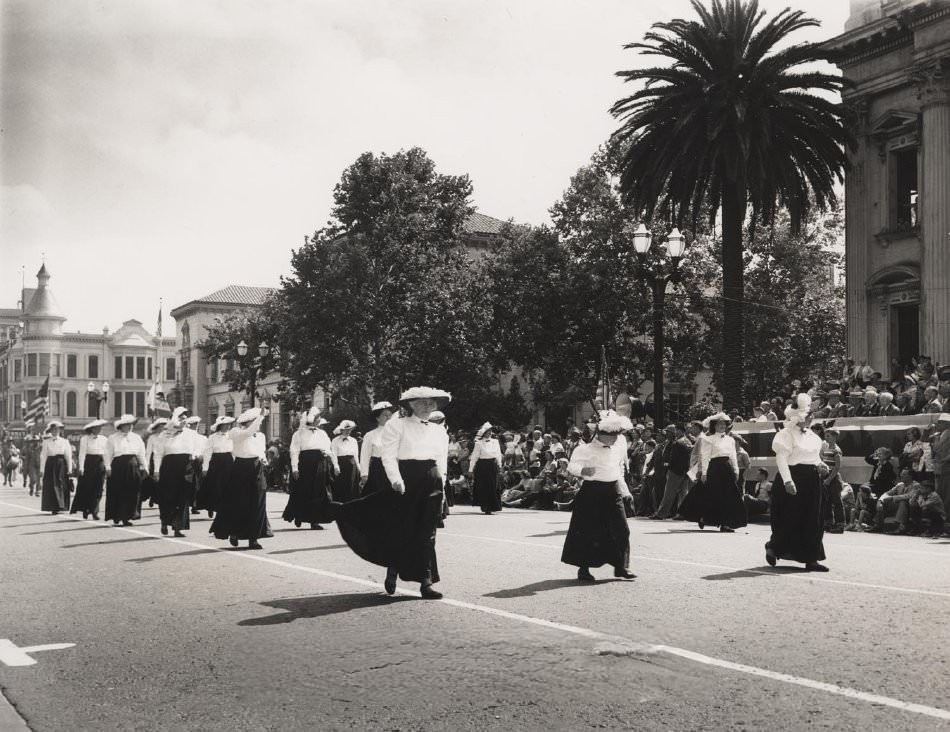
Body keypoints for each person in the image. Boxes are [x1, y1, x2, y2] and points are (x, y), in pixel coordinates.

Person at [334, 386, 451, 599]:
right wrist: (396, 480)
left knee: (428, 531)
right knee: (403, 528)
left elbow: (441, 459)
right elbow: (388, 456)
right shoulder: (397, 425)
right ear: (412, 405)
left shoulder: (439, 430)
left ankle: (426, 582)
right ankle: (393, 569)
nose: (428, 406)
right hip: (406, 478)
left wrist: (442, 485)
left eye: (431, 403)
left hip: (431, 479)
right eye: (423, 403)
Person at [561, 411, 636, 582]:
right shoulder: (584, 449)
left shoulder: (617, 448)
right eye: (612, 435)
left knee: (622, 529)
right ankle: (584, 569)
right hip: (592, 492)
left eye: (617, 435)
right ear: (601, 434)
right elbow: (572, 466)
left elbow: (619, 472)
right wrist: (583, 471)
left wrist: (626, 492)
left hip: (613, 490)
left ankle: (621, 567)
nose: (616, 438)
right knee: (588, 531)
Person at [766, 394, 830, 571]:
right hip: (792, 477)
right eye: (809, 415)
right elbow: (781, 459)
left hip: (811, 480)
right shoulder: (785, 435)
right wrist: (788, 481)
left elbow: (814, 457)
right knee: (790, 517)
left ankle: (811, 558)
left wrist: (821, 465)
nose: (812, 418)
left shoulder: (812, 436)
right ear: (800, 417)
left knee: (813, 519)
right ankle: (773, 547)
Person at [211, 407, 272, 550]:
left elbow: (260, 450)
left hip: (256, 467)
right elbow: (248, 433)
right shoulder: (236, 432)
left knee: (257, 502)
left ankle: (254, 538)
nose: (258, 424)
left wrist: (263, 460)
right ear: (248, 421)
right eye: (254, 420)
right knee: (239, 502)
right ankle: (234, 532)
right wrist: (261, 416)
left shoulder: (260, 435)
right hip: (241, 468)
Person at [677, 413, 746, 532]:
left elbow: (733, 456)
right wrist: (703, 473)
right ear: (714, 425)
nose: (722, 426)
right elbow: (704, 456)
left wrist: (736, 470)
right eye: (719, 424)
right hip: (714, 468)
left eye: (724, 424)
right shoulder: (707, 439)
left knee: (729, 496)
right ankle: (704, 517)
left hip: (727, 468)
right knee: (712, 496)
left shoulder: (730, 440)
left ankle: (726, 524)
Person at [283, 407, 337, 529]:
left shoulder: (322, 433)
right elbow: (294, 451)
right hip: (305, 464)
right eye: (317, 418)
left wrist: (328, 455)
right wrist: (295, 468)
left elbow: (329, 448)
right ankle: (299, 515)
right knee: (304, 491)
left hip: (320, 464)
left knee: (318, 491)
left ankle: (315, 520)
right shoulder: (299, 433)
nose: (319, 421)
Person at [155, 408, 200, 537]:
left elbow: (197, 448)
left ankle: (178, 527)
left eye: (184, 417)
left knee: (183, 497)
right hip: (169, 466)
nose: (183, 420)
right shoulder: (165, 434)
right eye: (180, 417)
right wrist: (157, 471)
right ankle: (165, 521)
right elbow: (158, 454)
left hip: (186, 465)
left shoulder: (191, 434)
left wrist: (194, 454)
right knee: (168, 496)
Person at [104, 414, 147, 526]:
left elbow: (141, 454)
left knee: (132, 490)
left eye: (131, 425)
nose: (130, 427)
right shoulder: (113, 438)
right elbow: (108, 453)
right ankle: (117, 515)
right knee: (118, 491)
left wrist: (145, 466)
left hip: (133, 464)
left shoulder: (136, 438)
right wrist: (108, 467)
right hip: (118, 465)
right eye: (127, 425)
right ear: (121, 426)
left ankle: (128, 516)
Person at [651, 424, 691, 520]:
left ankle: (661, 514)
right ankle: (682, 513)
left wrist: (669, 466)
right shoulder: (688, 441)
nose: (675, 432)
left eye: (677, 430)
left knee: (669, 493)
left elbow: (674, 458)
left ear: (681, 431)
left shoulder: (678, 442)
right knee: (683, 493)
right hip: (685, 471)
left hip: (675, 471)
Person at [70, 419, 108, 520]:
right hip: (88, 464)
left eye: (99, 428)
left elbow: (106, 454)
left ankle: (95, 511)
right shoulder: (85, 439)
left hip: (100, 463)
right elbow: (82, 454)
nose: (98, 429)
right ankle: (86, 509)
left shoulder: (104, 439)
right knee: (87, 488)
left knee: (99, 488)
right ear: (91, 429)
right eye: (96, 428)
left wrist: (107, 467)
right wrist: (81, 467)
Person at [198, 416, 235, 519]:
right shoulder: (212, 437)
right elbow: (207, 453)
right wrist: (205, 468)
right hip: (216, 462)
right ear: (220, 426)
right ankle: (212, 507)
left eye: (229, 424)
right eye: (225, 424)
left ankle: (224, 508)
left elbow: (234, 451)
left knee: (227, 486)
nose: (228, 426)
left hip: (228, 461)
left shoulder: (231, 436)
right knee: (216, 486)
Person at [359, 402, 396, 496]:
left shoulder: (397, 433)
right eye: (385, 415)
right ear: (377, 418)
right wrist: (364, 473)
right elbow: (365, 456)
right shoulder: (370, 435)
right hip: (378, 469)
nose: (388, 417)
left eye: (390, 415)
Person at [469, 422, 503, 515]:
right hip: (482, 465)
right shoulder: (479, 443)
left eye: (490, 431)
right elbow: (474, 456)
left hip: (492, 465)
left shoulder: (495, 441)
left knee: (493, 485)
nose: (489, 433)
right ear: (484, 432)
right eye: (487, 431)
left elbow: (498, 454)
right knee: (483, 486)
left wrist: (500, 465)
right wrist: (471, 469)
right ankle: (485, 506)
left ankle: (493, 506)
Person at [870, 469, 919, 534]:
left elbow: (909, 496)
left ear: (910, 476)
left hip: (912, 507)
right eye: (901, 474)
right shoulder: (900, 485)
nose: (901, 475)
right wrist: (880, 501)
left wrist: (893, 498)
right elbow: (888, 493)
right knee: (883, 503)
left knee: (903, 502)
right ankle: (877, 525)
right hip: (899, 507)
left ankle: (901, 527)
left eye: (904, 474)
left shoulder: (916, 485)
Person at [39, 420, 72, 515]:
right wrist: (42, 469)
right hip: (50, 464)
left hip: (61, 464)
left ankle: (61, 505)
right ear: (51, 431)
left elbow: (68, 456)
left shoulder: (65, 441)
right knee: (51, 485)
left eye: (57, 429)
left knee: (61, 484)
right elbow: (43, 455)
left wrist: (69, 469)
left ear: (60, 431)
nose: (55, 431)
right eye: (53, 430)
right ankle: (53, 506)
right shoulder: (46, 442)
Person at [820, 428, 846, 534]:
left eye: (828, 436)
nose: (826, 437)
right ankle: (828, 522)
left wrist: (829, 479)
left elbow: (837, 466)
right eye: (826, 435)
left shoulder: (836, 450)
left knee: (837, 501)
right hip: (826, 477)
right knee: (827, 501)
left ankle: (840, 524)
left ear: (835, 437)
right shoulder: (827, 448)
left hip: (833, 479)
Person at [331, 420, 360, 503]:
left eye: (350, 429)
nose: (348, 431)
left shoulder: (354, 441)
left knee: (352, 487)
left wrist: (359, 468)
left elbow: (356, 456)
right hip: (341, 465)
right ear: (341, 430)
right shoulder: (335, 441)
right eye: (346, 429)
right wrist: (336, 466)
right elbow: (334, 454)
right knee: (341, 487)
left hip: (352, 466)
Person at [142, 418, 169, 508]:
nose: (162, 428)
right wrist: (147, 464)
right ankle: (153, 497)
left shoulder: (167, 437)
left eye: (164, 426)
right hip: (154, 460)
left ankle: (158, 498)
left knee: (164, 480)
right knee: (154, 480)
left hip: (165, 460)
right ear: (157, 428)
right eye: (160, 427)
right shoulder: (152, 438)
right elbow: (148, 452)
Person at [184, 416, 207, 515]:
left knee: (198, 483)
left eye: (196, 424)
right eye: (193, 425)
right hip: (189, 462)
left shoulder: (202, 438)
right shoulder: (185, 437)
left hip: (199, 462)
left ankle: (195, 505)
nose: (195, 426)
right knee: (189, 483)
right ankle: (186, 504)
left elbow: (205, 450)